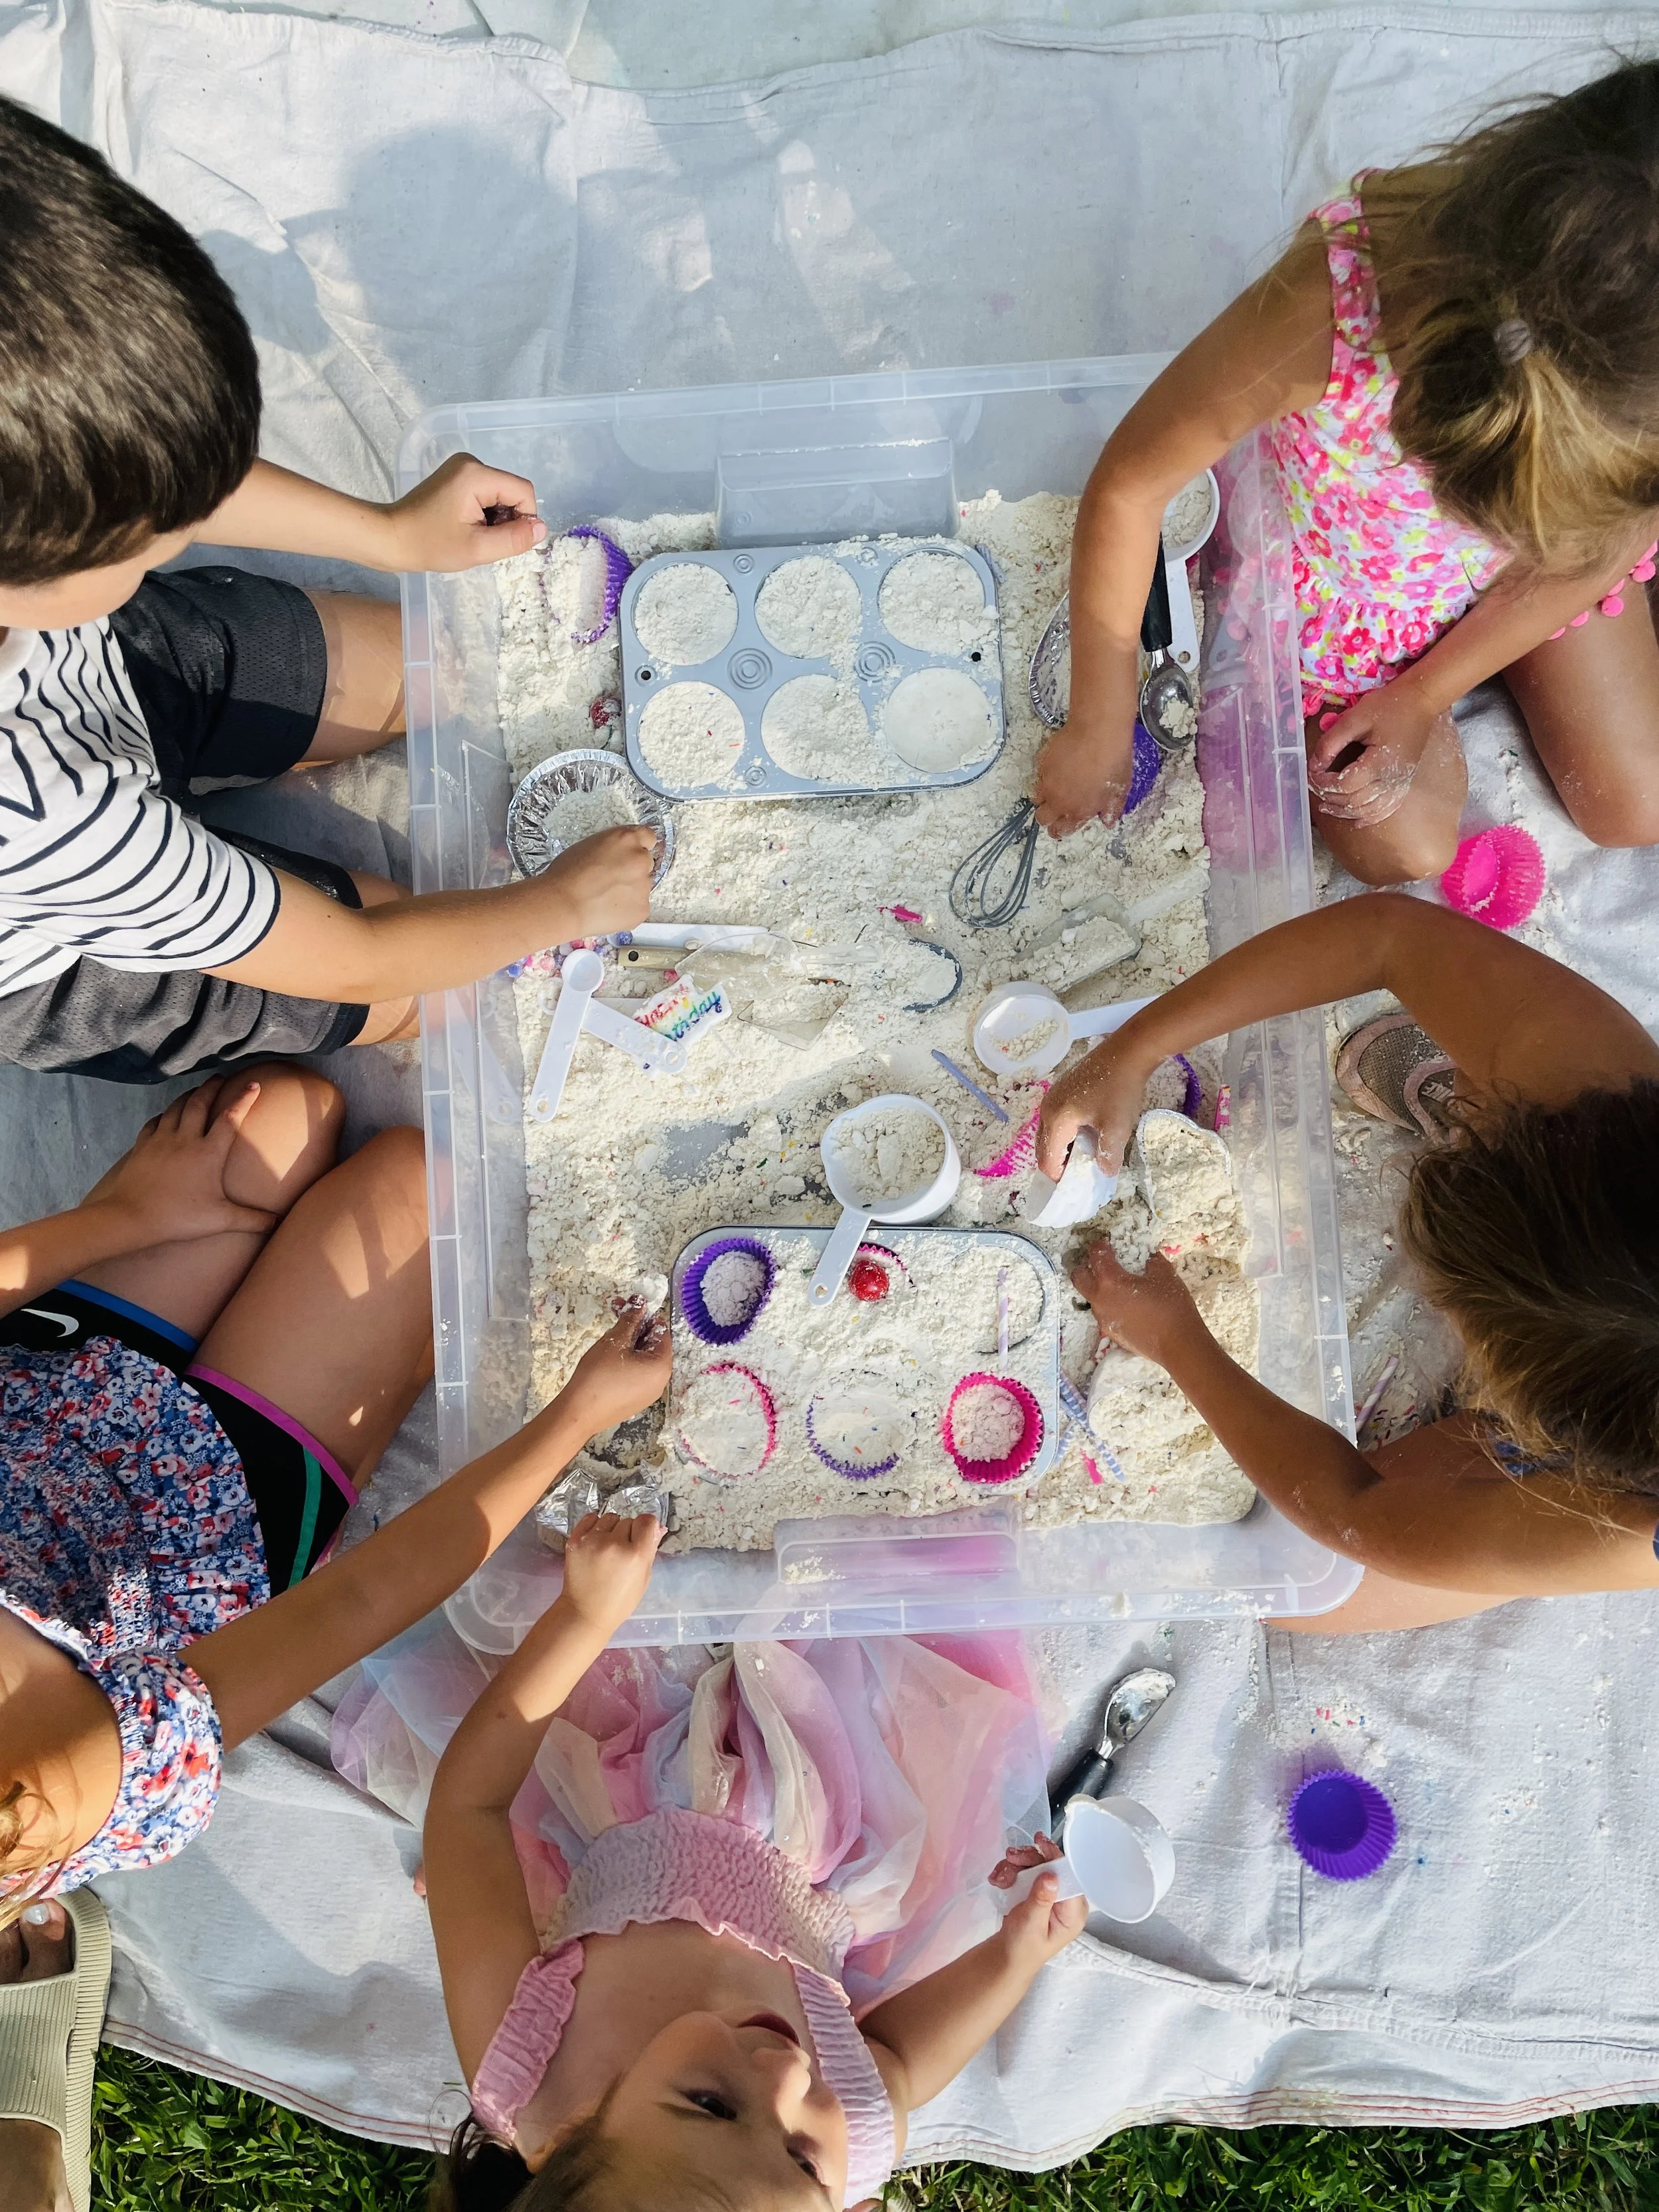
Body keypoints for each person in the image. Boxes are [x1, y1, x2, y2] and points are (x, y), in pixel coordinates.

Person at [0, 1069, 674, 2209]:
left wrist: (120, 1221)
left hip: (43, 1409)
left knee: (286, 1116)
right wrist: (572, 1418)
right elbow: (368, 1597)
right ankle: (348, 1402)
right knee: (422, 1191)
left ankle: (248, 1288)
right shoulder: (63, 1770)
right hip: (201, 1522)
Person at [0, 96, 654, 1081]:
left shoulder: (51, 544)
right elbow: (355, 960)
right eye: (154, 537)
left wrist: (387, 534)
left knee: (434, 667)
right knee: (429, 983)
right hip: (77, 950)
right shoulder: (44, 816)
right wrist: (558, 906)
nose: (183, 532)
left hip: (105, 669)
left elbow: (148, 477)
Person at [332, 1521, 1080, 2211]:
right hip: (823, 1831)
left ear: (575, 2137)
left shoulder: (527, 2073)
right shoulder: (846, 2139)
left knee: (573, 1594)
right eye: (802, 2162)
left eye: (710, 2105)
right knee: (899, 1601)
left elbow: (471, 1809)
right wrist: (1013, 1958)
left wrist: (584, 1620)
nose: (787, 2077)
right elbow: (900, 2067)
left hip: (615, 1800)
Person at [1036, 58, 1659, 884]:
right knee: (1406, 849)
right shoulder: (1333, 312)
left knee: (1635, 808)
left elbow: (1598, 553)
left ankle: (1489, 636)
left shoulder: (1625, 423)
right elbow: (1129, 486)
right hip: (1354, 602)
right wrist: (1098, 724)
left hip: (1531, 576)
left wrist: (1432, 690)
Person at [1037, 895, 1659, 1631]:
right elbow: (1387, 937)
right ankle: (1493, 1093)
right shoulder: (1611, 1094)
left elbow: (1349, 1509)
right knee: (1526, 1065)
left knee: (1308, 1595)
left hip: (1610, 1457)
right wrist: (1133, 1048)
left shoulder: (1632, 1527)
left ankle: (1496, 1103)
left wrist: (1177, 1339)